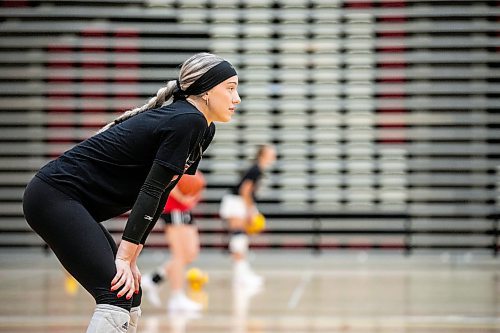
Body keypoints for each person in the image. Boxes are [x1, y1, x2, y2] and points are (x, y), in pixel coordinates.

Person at [23, 52, 240, 333]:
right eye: (231, 88)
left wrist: (132, 258)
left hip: (69, 202)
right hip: (54, 196)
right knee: (115, 293)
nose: (237, 99)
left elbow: (161, 193)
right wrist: (123, 258)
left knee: (130, 292)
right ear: (207, 90)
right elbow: (150, 190)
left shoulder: (203, 129)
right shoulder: (188, 120)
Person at [141, 173, 204, 312]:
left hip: (184, 210)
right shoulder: (175, 153)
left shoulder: (192, 154)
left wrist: (195, 193)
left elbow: (195, 182)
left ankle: (152, 280)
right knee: (179, 256)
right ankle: (177, 298)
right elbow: (168, 178)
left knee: (191, 254)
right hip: (174, 208)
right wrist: (182, 196)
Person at [219, 144, 276, 287]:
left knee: (241, 239)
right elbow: (245, 190)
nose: (274, 155)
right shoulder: (256, 168)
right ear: (263, 154)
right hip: (236, 201)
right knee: (238, 237)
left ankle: (242, 272)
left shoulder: (259, 169)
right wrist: (251, 210)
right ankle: (240, 276)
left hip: (239, 201)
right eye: (271, 152)